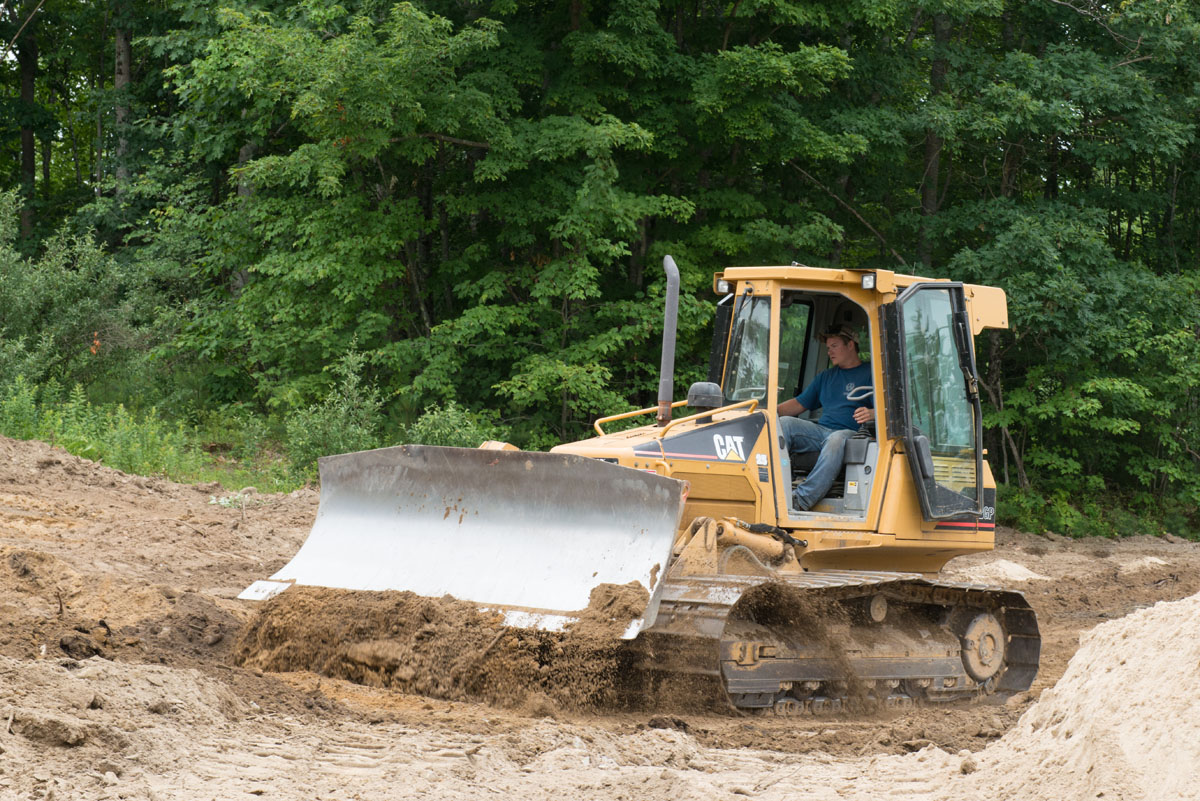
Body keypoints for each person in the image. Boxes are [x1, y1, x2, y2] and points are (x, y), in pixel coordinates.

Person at [777, 324, 875, 511]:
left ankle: (802, 500)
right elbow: (799, 404)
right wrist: (766, 413)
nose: (830, 351)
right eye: (828, 347)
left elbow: (889, 408)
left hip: (851, 433)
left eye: (835, 346)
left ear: (851, 345)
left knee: (835, 439)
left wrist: (872, 413)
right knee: (783, 424)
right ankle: (773, 489)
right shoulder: (826, 377)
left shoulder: (871, 373)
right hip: (820, 432)